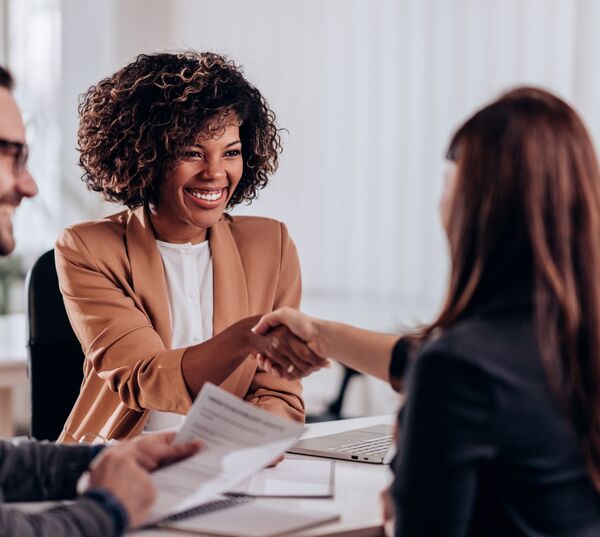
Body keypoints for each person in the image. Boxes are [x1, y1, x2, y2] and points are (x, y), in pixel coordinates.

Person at [253, 88, 600, 535]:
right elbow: (431, 362)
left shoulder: (460, 369)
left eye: (450, 184)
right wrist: (320, 335)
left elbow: (452, 373)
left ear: (476, 211)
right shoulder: (570, 340)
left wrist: (401, 506)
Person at [56, 51, 326, 443]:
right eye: (192, 153)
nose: (216, 173)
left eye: (231, 152)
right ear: (147, 155)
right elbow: (144, 378)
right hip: (119, 463)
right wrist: (245, 338)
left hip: (227, 466)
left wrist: (244, 449)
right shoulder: (88, 248)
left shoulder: (272, 245)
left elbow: (278, 393)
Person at [0, 64, 201, 536]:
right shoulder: (86, 249)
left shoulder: (267, 245)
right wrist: (108, 508)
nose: (29, 185)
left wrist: (100, 459)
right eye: (11, 155)